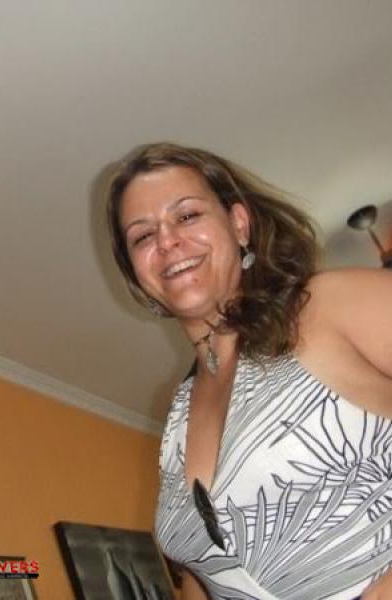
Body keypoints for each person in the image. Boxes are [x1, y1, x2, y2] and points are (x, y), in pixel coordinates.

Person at [106, 142, 392, 600]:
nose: (166, 242)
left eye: (187, 216)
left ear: (239, 224)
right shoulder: (177, 419)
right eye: (142, 236)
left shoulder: (322, 306)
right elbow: (205, 573)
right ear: (135, 272)